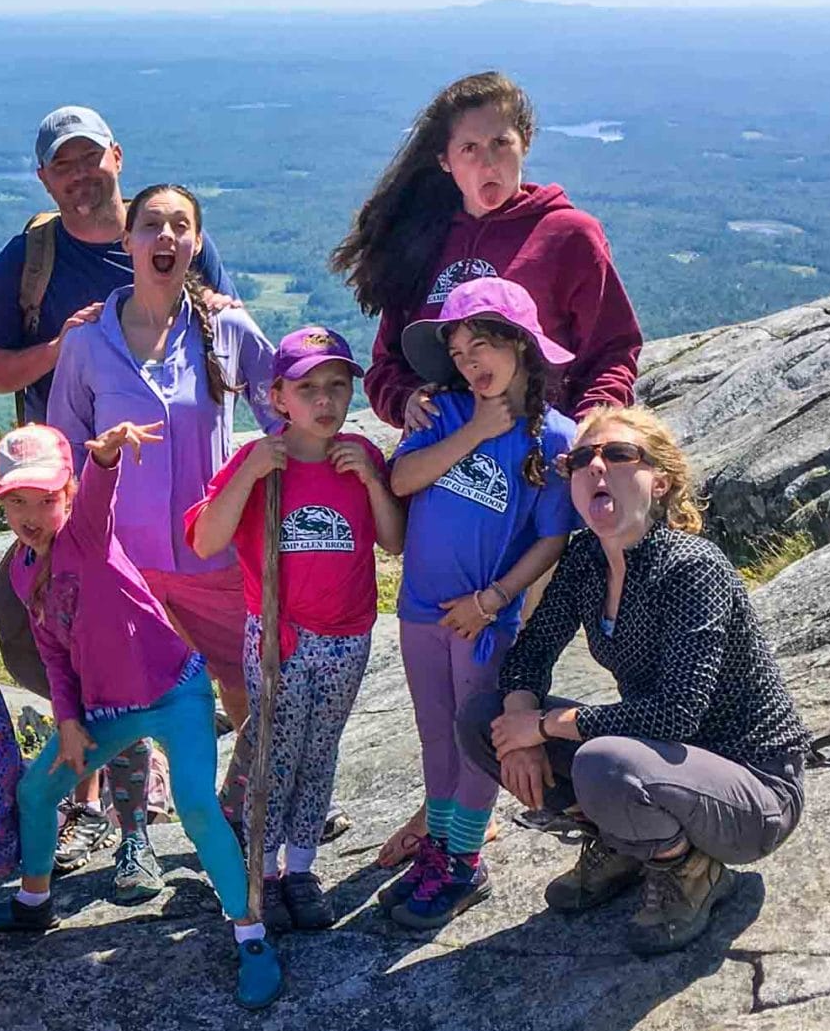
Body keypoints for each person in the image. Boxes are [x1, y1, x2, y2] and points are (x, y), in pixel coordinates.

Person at [330, 69, 644, 870]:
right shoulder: (429, 240)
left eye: (501, 142)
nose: (488, 160)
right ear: (446, 161)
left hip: (533, 484)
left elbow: (614, 348)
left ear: (525, 144)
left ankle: (476, 829)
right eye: (470, 147)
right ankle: (452, 819)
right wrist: (408, 404)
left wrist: (587, 436)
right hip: (450, 476)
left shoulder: (567, 234)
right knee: (452, 678)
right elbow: (390, 363)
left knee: (498, 661)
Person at [0, 107, 240, 878]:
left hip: (190, 515)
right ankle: (126, 829)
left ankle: (250, 799)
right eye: (65, 165)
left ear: (118, 158)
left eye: (94, 159)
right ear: (46, 177)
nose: (83, 176)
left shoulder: (175, 239)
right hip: (80, 510)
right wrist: (67, 344)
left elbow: (224, 334)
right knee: (103, 674)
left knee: (221, 669)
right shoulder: (32, 258)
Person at [460, 408, 809, 955]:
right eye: (581, 459)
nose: (596, 466)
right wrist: (520, 722)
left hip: (752, 790)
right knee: (484, 720)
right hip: (668, 763)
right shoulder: (585, 562)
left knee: (605, 761)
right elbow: (531, 651)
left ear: (660, 481)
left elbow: (676, 714)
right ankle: (623, 841)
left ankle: (690, 869)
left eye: (618, 455)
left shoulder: (692, 567)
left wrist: (546, 725)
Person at [0, 422, 276, 1004]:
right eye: (17, 501)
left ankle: (250, 931)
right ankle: (33, 902)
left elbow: (101, 493)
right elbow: (54, 654)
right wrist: (68, 721)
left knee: (197, 807)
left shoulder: (85, 534)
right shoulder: (25, 570)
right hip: (106, 711)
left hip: (178, 693)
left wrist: (104, 459)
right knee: (36, 792)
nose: (32, 513)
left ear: (69, 497)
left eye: (46, 499)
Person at [47, 182, 274, 893]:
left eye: (181, 226)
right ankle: (134, 838)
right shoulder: (87, 342)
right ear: (129, 242)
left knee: (247, 687)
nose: (166, 237)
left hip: (213, 551)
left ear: (197, 244)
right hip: (123, 566)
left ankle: (260, 805)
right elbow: (63, 448)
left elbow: (286, 408)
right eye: (152, 225)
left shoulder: (228, 330)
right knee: (127, 706)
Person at [186, 328, 403, 931]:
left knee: (319, 750)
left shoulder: (358, 455)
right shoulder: (260, 460)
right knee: (274, 755)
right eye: (308, 388)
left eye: (337, 386)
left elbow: (394, 540)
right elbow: (206, 539)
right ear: (279, 396)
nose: (325, 400)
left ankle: (302, 866)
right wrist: (250, 472)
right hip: (280, 636)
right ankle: (265, 866)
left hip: (347, 636)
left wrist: (373, 482)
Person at [381, 278, 578, 931]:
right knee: (434, 734)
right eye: (460, 354)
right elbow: (403, 479)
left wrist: (494, 601)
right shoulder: (448, 412)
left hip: (482, 618)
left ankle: (463, 861)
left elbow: (553, 536)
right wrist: (474, 431)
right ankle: (441, 847)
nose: (471, 365)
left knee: (471, 740)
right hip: (419, 610)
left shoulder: (553, 440)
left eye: (484, 347)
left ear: (521, 345)